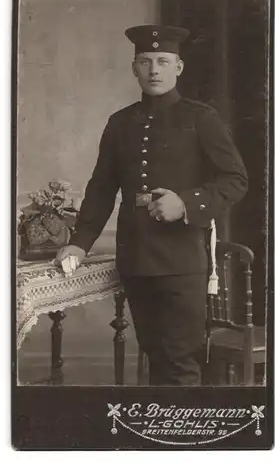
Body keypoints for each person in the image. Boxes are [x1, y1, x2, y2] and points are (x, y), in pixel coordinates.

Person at [56, 25, 248, 386]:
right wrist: (79, 242)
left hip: (182, 260)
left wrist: (186, 203)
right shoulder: (120, 123)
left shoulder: (201, 118)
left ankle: (179, 437)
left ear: (179, 67)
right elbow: (101, 189)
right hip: (137, 258)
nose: (154, 70)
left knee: (182, 363)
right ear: (134, 68)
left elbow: (236, 180)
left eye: (163, 61)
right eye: (145, 62)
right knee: (155, 355)